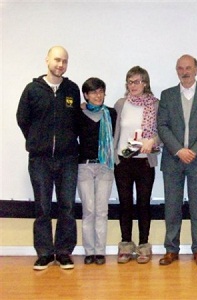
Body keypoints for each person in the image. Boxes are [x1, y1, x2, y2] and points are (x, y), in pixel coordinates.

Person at [16, 46, 80, 270]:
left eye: (64, 61)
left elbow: (75, 123)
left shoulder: (72, 89)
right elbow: (22, 119)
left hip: (68, 159)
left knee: (67, 206)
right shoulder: (32, 90)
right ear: (47, 61)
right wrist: (37, 141)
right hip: (40, 159)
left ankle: (63, 252)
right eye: (57, 60)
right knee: (42, 207)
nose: (60, 65)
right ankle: (44, 253)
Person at [157, 54, 197, 266]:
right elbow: (162, 126)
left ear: (196, 69)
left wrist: (193, 151)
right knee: (172, 207)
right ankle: (171, 249)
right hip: (173, 160)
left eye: (188, 67)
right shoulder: (167, 95)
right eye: (181, 68)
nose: (185, 72)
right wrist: (179, 150)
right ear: (177, 71)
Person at [114, 66, 160, 264]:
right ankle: (125, 246)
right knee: (125, 205)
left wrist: (154, 140)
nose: (134, 85)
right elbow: (109, 125)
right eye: (130, 81)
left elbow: (164, 131)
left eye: (138, 81)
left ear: (146, 83)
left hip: (144, 163)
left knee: (143, 204)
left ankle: (143, 246)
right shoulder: (120, 104)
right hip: (123, 161)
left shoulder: (156, 105)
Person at [77, 78, 117, 265]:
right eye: (93, 92)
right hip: (84, 167)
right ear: (86, 95)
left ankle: (100, 252)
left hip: (105, 166)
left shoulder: (112, 114)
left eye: (101, 91)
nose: (98, 95)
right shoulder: (78, 114)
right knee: (89, 210)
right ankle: (89, 252)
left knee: (101, 210)